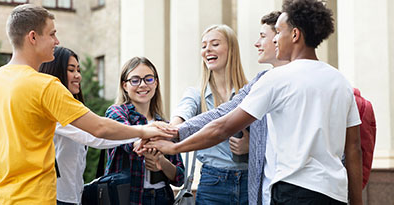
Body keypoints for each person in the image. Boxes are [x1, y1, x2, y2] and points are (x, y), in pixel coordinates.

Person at [146, 0, 363, 204]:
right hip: (334, 193)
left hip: (292, 191)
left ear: (295, 35)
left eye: (278, 32)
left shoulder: (276, 79)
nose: (275, 39)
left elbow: (222, 126)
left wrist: (176, 147)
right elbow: (353, 148)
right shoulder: (340, 81)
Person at [0, 4, 171, 204]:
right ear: (33, 37)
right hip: (34, 198)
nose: (56, 41)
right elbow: (99, 128)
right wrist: (145, 130)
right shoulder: (45, 86)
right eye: (52, 34)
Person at [39, 46, 138, 205]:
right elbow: (96, 136)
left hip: (73, 196)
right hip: (56, 198)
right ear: (55, 72)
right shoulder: (53, 110)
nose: (78, 75)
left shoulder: (71, 109)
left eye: (78, 70)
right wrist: (141, 133)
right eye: (71, 70)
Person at [170, 24, 250, 204]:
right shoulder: (195, 94)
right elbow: (181, 116)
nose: (207, 50)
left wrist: (250, 147)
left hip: (250, 181)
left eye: (215, 44)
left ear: (231, 49)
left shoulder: (251, 91)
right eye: (204, 45)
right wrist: (170, 131)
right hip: (213, 183)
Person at [105, 57, 185, 205]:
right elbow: (129, 141)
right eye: (135, 80)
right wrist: (152, 143)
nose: (142, 85)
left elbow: (179, 177)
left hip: (161, 198)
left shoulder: (163, 123)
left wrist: (161, 162)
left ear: (155, 83)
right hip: (127, 197)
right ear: (124, 85)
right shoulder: (116, 112)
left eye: (148, 79)